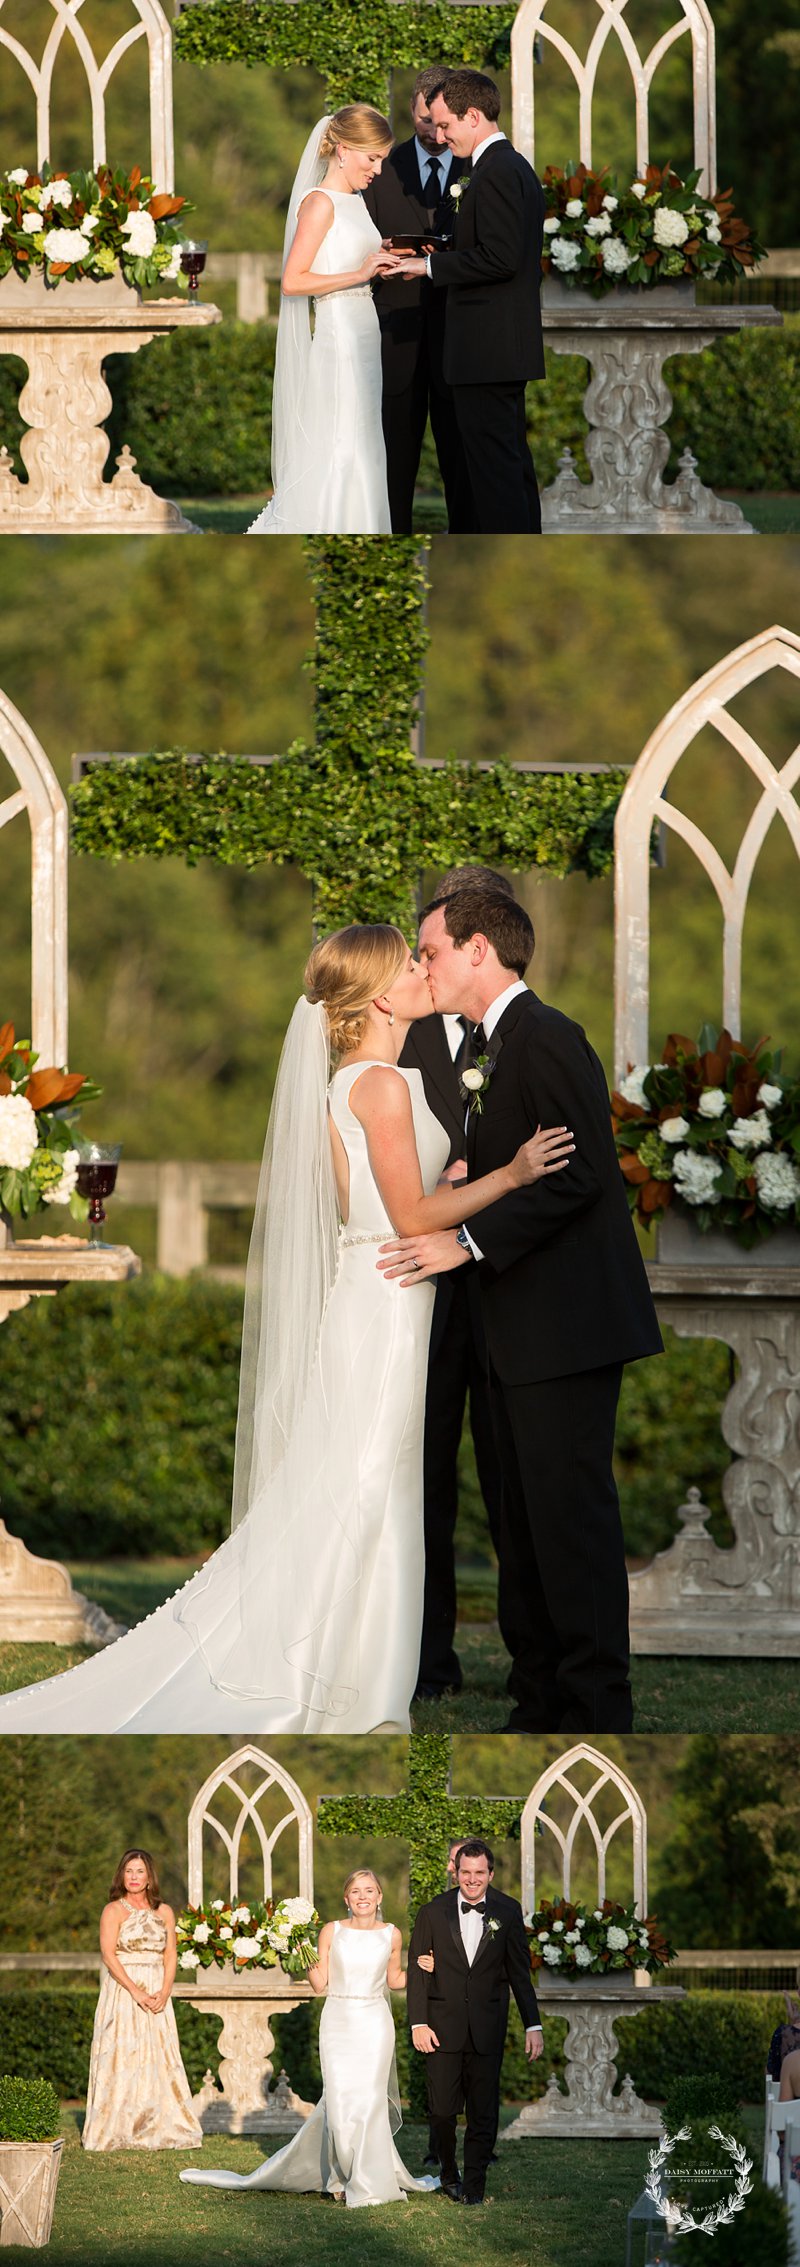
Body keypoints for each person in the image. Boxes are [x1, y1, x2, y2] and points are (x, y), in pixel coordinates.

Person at [0, 925, 573, 1736]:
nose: (422, 970)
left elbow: (361, 1207)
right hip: (387, 1301)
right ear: (380, 995)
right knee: (368, 1485)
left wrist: (453, 1178)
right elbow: (407, 1217)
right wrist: (510, 1175)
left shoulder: (355, 1078)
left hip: (374, 1292)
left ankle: (349, 1666)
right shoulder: (383, 1084)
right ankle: (345, 1679)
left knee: (363, 1482)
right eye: (409, 964)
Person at [380, 882, 664, 1733]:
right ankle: (538, 1694)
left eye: (430, 949)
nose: (423, 965)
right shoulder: (493, 1045)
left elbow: (580, 1179)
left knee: (567, 1523)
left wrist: (464, 1244)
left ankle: (593, 1702)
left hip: (566, 1330)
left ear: (478, 949)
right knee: (520, 1525)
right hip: (516, 1330)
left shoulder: (546, 1038)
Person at [400, 864, 512, 1700]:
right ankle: (424, 1656)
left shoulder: (522, 1033)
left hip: (509, 1291)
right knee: (421, 1476)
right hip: (421, 1301)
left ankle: (532, 1657)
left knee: (516, 1481)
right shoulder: (393, 1036)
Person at [181, 1869, 439, 2209]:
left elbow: (393, 1981)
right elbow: (320, 1984)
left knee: (370, 2099)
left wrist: (423, 1969)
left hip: (375, 2023)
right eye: (356, 1891)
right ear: (346, 1899)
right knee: (340, 2099)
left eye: (370, 1890)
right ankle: (338, 2177)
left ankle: (367, 2176)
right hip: (338, 2020)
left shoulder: (391, 1935)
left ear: (379, 1897)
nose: (363, 1896)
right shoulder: (332, 1931)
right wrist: (300, 1945)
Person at [391, 71, 545, 532]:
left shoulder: (495, 171)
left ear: (472, 116)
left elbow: (500, 259)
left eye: (445, 125)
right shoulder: (506, 165)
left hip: (487, 352)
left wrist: (429, 267)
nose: (439, 136)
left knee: (495, 482)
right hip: (498, 352)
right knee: (510, 473)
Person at [247, 108, 398, 534]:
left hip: (364, 329)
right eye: (373, 159)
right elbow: (293, 282)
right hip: (340, 336)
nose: (378, 170)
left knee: (364, 438)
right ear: (345, 150)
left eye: (382, 159)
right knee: (340, 439)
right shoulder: (318, 202)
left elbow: (347, 254)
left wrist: (382, 255)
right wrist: (358, 273)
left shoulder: (355, 200)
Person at [362, 67, 473, 532]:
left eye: (440, 120)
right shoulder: (382, 165)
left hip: (460, 336)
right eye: (425, 119)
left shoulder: (477, 165)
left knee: (462, 459)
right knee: (394, 458)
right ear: (412, 110)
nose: (433, 130)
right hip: (396, 335)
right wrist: (381, 252)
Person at [407, 1838, 542, 2206]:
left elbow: (519, 1974)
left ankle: (475, 2186)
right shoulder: (432, 1912)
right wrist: (418, 2022)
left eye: (479, 1873)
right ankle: (448, 2172)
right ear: (456, 1871)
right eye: (465, 1872)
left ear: (490, 1873)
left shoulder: (508, 1911)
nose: (472, 1879)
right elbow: (417, 1972)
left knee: (483, 2112)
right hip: (440, 2028)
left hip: (487, 2027)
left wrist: (534, 2025)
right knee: (441, 2110)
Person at [82, 1847, 202, 2154]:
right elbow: (109, 1955)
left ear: (149, 1877)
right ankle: (119, 2127)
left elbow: (170, 1953)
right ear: (122, 1875)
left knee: (157, 2055)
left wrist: (165, 1990)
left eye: (140, 1872)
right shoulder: (113, 1911)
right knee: (124, 2054)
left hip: (157, 1988)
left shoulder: (164, 1912)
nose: (134, 1877)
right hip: (124, 1991)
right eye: (128, 1871)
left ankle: (159, 2124)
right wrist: (135, 1991)